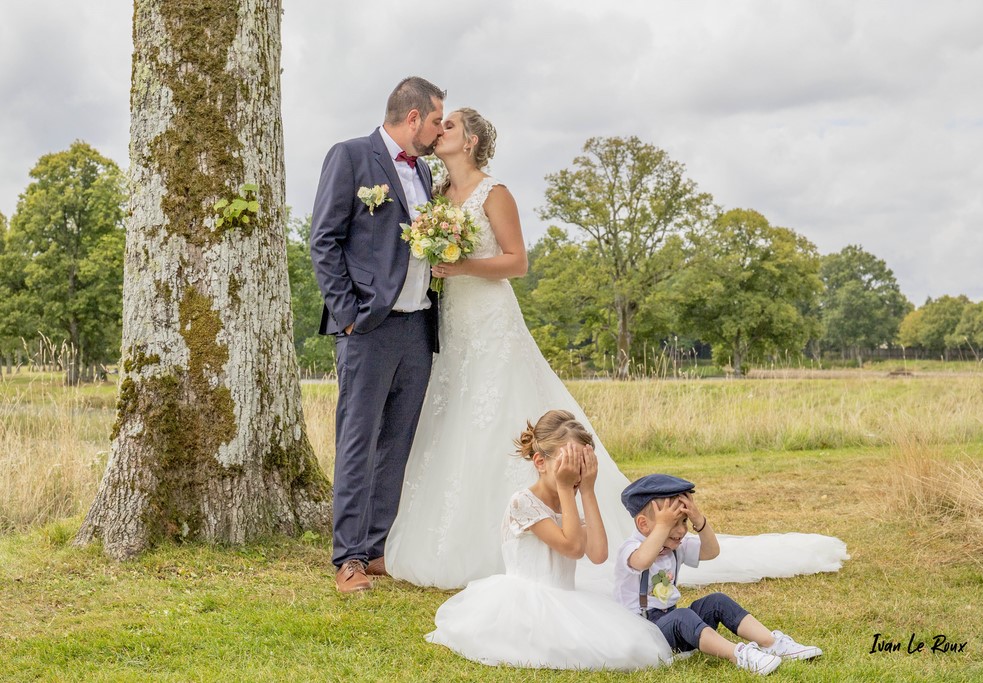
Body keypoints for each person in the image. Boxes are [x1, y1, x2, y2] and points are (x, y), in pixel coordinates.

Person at [383, 107, 850, 591]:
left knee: (494, 414)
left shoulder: (494, 193)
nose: (439, 132)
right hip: (453, 320)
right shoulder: (436, 193)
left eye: (450, 126)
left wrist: (461, 269)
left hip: (490, 317)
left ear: (473, 140)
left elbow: (517, 262)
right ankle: (453, 538)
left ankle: (529, 540)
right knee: (453, 417)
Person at [309, 76, 446, 593]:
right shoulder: (349, 156)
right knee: (358, 442)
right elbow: (323, 239)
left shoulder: (426, 173)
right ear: (413, 117)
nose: (438, 131)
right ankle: (346, 557)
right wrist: (348, 315)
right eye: (436, 120)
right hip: (367, 329)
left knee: (397, 442)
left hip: (417, 327)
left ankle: (377, 548)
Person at [426, 411, 674, 670]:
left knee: (626, 648)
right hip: (524, 603)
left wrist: (587, 489)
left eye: (581, 466)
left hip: (567, 597)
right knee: (571, 650)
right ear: (540, 462)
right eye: (567, 464)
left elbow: (598, 554)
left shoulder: (569, 504)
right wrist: (567, 489)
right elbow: (574, 548)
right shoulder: (522, 503)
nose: (574, 474)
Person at [614, 474, 824, 675]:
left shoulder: (676, 546)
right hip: (647, 631)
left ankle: (771, 643)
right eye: (672, 524)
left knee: (717, 601)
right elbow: (642, 561)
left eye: (684, 522)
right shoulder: (631, 549)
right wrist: (662, 527)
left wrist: (699, 520)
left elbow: (711, 551)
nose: (681, 531)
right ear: (643, 524)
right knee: (682, 616)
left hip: (673, 622)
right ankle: (738, 655)